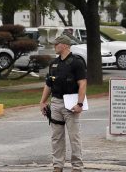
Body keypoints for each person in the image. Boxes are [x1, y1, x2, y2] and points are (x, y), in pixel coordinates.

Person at [39, 35, 87, 172]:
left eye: (56, 44)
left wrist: (80, 104)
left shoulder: (76, 62)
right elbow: (48, 84)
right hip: (56, 102)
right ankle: (57, 165)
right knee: (56, 136)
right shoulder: (53, 63)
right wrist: (42, 102)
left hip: (71, 103)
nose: (54, 46)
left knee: (74, 137)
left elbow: (82, 84)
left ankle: (77, 167)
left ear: (65, 45)